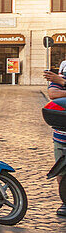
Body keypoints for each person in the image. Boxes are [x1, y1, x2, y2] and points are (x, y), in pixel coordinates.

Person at [42, 67, 66, 217]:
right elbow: (53, 94)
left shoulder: (61, 79)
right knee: (61, 170)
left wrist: (63, 82)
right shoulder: (61, 74)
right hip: (62, 135)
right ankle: (65, 200)